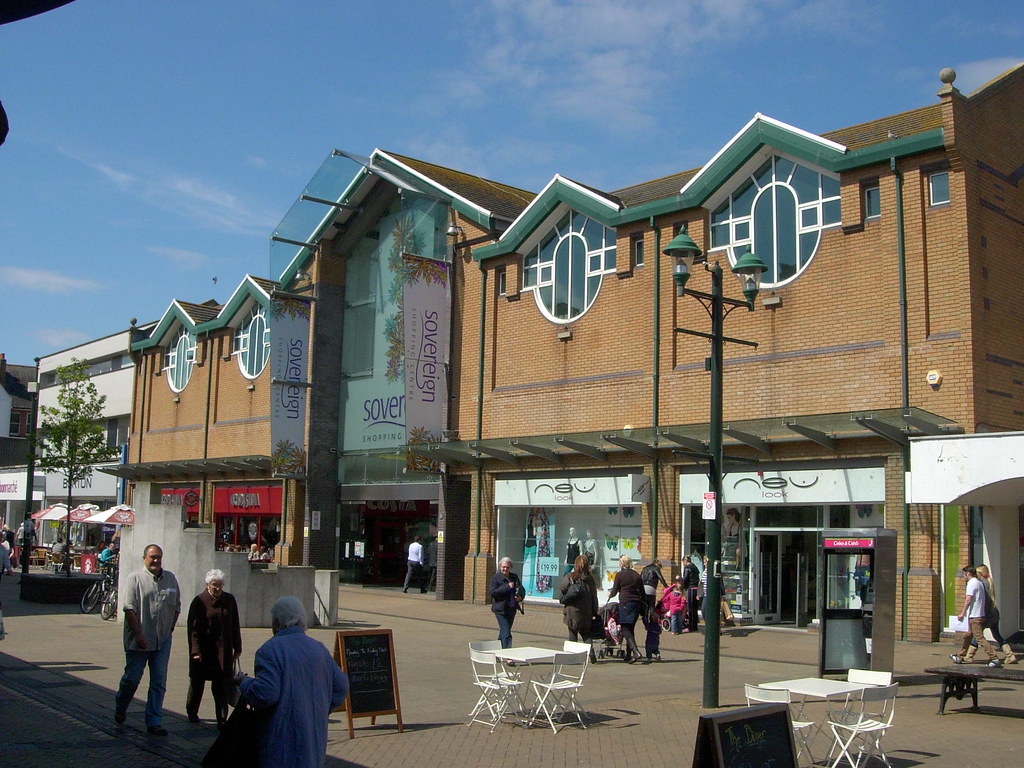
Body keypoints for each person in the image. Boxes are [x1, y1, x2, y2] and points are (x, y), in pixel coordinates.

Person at [237, 596, 349, 768]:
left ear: (276, 622)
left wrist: (244, 683)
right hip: (313, 742)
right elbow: (341, 686)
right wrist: (321, 709)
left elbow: (266, 694)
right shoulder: (319, 648)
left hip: (280, 742)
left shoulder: (270, 650)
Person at [114, 544, 181, 735]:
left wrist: (170, 629)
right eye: (152, 557)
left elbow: (176, 606)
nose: (156, 561)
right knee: (132, 679)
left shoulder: (170, 578)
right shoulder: (135, 578)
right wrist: (138, 634)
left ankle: (154, 721)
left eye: (159, 557)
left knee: (158, 682)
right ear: (144, 558)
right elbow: (129, 609)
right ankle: (121, 705)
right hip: (140, 640)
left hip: (162, 640)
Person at [186, 568, 242, 728]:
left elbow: (235, 625)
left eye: (220, 585)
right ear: (207, 585)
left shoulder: (229, 600)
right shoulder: (199, 601)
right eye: (214, 585)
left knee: (221, 686)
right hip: (204, 651)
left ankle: (222, 718)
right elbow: (193, 630)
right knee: (197, 683)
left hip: (223, 651)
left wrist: (237, 647)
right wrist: (195, 651)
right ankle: (192, 711)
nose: (217, 589)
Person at [962, 564, 1018, 665]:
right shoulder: (988, 581)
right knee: (996, 635)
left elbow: (981, 601)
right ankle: (1010, 655)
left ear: (979, 573)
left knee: (977, 635)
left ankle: (969, 656)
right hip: (994, 613)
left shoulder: (981, 583)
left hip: (985, 614)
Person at [950, 565, 1001, 667]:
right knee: (968, 636)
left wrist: (962, 613)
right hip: (978, 615)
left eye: (964, 574)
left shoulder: (971, 584)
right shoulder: (979, 583)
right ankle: (960, 656)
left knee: (979, 638)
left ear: (968, 574)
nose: (964, 577)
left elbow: (968, 599)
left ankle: (994, 658)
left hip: (975, 616)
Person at [559, 554, 600, 662]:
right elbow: (594, 596)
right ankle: (591, 653)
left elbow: (563, 588)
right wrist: (595, 611)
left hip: (572, 611)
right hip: (586, 612)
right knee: (586, 634)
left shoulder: (570, 576)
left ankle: (572, 657)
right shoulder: (590, 579)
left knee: (573, 633)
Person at [608, 555, 646, 664]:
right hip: (636, 604)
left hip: (625, 603)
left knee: (624, 629)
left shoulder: (619, 575)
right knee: (630, 629)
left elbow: (614, 591)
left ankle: (636, 651)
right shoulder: (636, 575)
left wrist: (610, 594)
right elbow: (642, 593)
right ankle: (629, 655)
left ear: (622, 563)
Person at [489, 556, 524, 648]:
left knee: (504, 631)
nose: (505, 569)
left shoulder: (514, 577)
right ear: (500, 567)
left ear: (510, 567)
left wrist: (520, 597)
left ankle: (496, 651)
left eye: (507, 567)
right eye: (503, 567)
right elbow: (493, 593)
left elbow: (520, 589)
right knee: (506, 632)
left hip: (511, 608)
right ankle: (508, 655)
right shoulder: (495, 578)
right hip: (500, 609)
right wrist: (507, 587)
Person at [681, 553, 701, 634]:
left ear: (685, 561)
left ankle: (691, 627)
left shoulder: (687, 568)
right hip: (696, 588)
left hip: (690, 589)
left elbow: (685, 579)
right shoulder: (695, 567)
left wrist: (680, 579)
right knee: (695, 609)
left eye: (683, 562)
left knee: (690, 608)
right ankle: (695, 625)